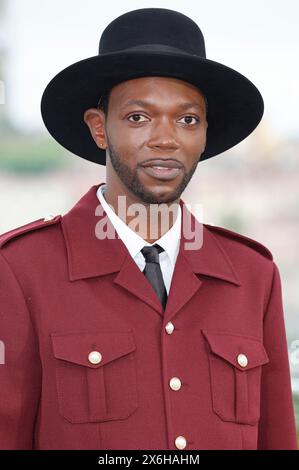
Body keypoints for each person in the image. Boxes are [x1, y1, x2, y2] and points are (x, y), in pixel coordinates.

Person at [0, 8, 297, 450]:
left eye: (188, 119)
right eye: (139, 117)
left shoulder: (254, 276)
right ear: (99, 129)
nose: (166, 138)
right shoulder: (20, 269)